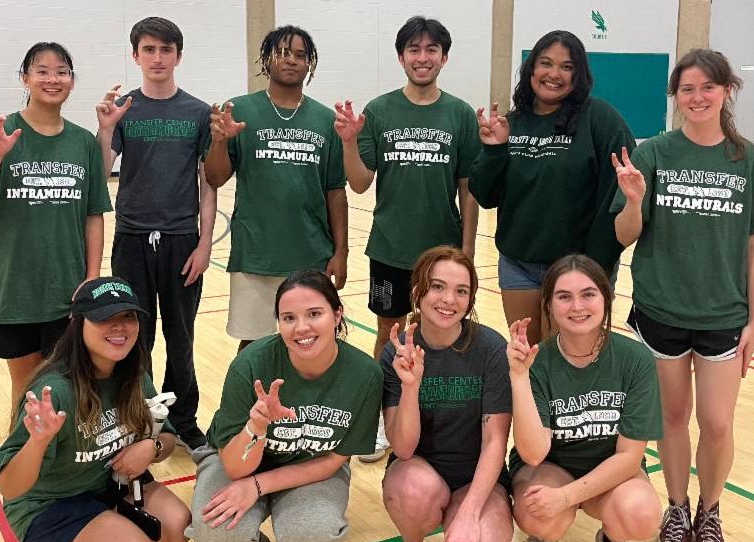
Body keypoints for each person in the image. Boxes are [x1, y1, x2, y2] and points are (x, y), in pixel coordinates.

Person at [612, 49, 754, 542]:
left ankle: (710, 511)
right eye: (687, 89)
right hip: (661, 310)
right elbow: (623, 236)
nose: (698, 97)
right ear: (676, 97)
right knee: (672, 417)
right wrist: (636, 200)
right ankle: (678, 508)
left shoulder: (747, 158)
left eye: (708, 87)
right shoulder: (655, 154)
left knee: (718, 423)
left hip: (723, 317)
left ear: (727, 90)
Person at [0, 276, 190, 542]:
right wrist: (39, 442)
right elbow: (10, 488)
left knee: (177, 526)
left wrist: (152, 446)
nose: (120, 326)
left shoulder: (134, 374)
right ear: (77, 323)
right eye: (104, 317)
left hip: (105, 488)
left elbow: (169, 438)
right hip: (48, 505)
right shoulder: (54, 390)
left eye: (128, 316)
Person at [187, 270, 382, 542]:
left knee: (310, 532)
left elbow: (336, 459)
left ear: (337, 315)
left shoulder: (364, 375)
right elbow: (234, 467)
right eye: (288, 318)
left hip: (312, 465)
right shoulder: (250, 365)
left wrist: (258, 487)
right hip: (239, 460)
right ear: (277, 322)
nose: (301, 328)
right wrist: (256, 428)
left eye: (314, 314)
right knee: (214, 529)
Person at [334, 15, 481, 463]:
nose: (423, 57)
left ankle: (438, 417)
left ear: (444, 57)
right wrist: (348, 141)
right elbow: (359, 184)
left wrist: (468, 248)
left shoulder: (458, 113)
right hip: (391, 248)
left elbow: (468, 186)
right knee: (390, 333)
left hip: (442, 253)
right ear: (401, 58)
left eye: (431, 49)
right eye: (414, 50)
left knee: (444, 332)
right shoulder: (380, 111)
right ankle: (385, 420)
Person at [507, 255, 662, 542]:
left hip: (611, 470)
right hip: (548, 467)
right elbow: (533, 453)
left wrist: (565, 498)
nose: (577, 306)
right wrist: (518, 378)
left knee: (642, 514)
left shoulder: (636, 360)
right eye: (564, 296)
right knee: (537, 513)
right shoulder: (538, 360)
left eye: (588, 294)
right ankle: (543, 539)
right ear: (548, 305)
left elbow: (629, 459)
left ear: (606, 299)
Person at [0, 42, 110, 406]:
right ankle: (20, 458)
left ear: (72, 81)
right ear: (25, 79)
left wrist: (92, 277)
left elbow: (94, 214)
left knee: (69, 385)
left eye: (61, 71)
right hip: (14, 287)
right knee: (27, 387)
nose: (52, 78)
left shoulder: (83, 143)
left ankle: (66, 461)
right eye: (42, 71)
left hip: (67, 288)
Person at [95, 17, 216, 452]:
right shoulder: (125, 109)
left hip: (183, 241)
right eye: (149, 50)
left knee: (181, 338)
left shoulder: (199, 112)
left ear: (178, 56)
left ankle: (183, 421)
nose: (158, 58)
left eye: (166, 50)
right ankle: (140, 417)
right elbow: (100, 169)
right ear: (136, 56)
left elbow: (208, 182)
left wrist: (204, 244)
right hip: (131, 240)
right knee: (134, 337)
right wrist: (107, 127)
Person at [469, 30, 634, 343]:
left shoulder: (600, 119)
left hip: (579, 266)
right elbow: (485, 195)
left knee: (568, 359)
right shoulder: (513, 122)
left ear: (579, 74)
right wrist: (494, 150)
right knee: (527, 356)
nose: (554, 74)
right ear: (531, 69)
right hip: (520, 265)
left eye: (567, 66)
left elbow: (616, 201)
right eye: (545, 63)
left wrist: (592, 270)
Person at [379, 246, 513, 542]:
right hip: (421, 472)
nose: (448, 300)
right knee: (411, 488)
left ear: (470, 299)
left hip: (478, 478)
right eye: (437, 286)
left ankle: (460, 531)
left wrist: (469, 514)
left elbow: (495, 442)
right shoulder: (396, 353)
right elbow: (404, 449)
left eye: (461, 290)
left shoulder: (490, 348)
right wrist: (410, 385)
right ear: (418, 291)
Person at [204, 25, 348, 351]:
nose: (291, 60)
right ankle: (250, 404)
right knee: (252, 346)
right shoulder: (238, 110)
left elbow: (335, 191)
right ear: (266, 59)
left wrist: (342, 252)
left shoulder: (325, 120)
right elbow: (215, 178)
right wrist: (218, 142)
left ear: (310, 63)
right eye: (282, 53)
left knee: (314, 345)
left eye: (300, 55)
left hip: (312, 255)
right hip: (255, 255)